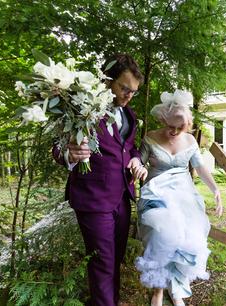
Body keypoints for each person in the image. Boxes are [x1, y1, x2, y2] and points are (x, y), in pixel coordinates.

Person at [52, 53, 148, 306]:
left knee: (115, 259)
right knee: (102, 262)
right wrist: (70, 153)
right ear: (108, 81)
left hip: (123, 197)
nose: (129, 95)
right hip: (93, 198)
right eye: (124, 88)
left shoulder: (129, 115)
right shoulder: (82, 108)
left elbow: (129, 148)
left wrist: (137, 159)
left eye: (134, 91)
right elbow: (58, 147)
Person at [135, 89, 223, 306]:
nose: (174, 131)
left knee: (189, 236)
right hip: (156, 193)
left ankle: (177, 289)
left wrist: (216, 190)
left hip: (183, 194)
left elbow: (199, 167)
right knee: (164, 234)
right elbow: (138, 160)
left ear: (188, 124)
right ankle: (158, 289)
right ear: (163, 119)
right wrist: (139, 167)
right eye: (169, 126)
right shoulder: (151, 137)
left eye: (179, 127)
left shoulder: (191, 141)